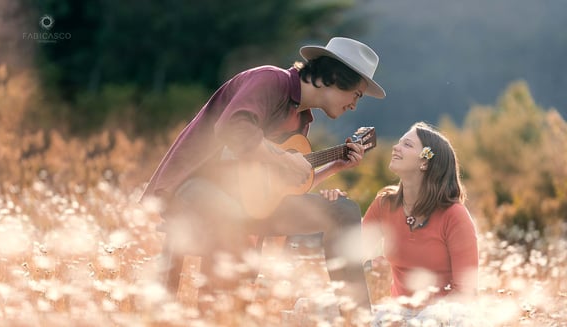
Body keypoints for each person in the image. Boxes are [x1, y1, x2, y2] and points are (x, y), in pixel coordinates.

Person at [140, 37, 386, 310]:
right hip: (195, 187)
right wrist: (282, 157)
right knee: (230, 213)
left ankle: (357, 316)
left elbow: (275, 188)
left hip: (246, 203)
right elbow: (234, 129)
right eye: (356, 94)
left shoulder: (301, 119)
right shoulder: (270, 80)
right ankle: (216, 315)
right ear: (337, 78)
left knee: (344, 210)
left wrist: (335, 167)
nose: (354, 104)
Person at [359, 122, 479, 325]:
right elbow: (351, 254)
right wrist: (337, 206)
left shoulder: (454, 215)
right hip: (398, 313)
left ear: (425, 162)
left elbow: (465, 292)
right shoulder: (384, 204)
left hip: (445, 314)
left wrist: (421, 320)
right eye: (398, 143)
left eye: (406, 144)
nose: (395, 148)